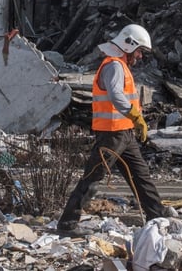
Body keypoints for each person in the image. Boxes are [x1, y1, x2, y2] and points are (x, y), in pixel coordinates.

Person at [57, 24, 166, 232]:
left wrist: (134, 122)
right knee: (92, 178)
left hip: (124, 133)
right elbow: (116, 96)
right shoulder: (114, 66)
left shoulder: (120, 65)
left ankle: (158, 218)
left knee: (141, 177)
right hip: (112, 134)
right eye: (139, 51)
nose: (140, 56)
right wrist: (135, 116)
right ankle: (67, 224)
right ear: (129, 45)